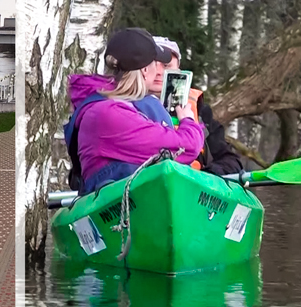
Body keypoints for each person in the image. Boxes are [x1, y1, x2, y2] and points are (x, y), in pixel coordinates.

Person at [65, 28, 205, 195]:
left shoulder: (104, 106)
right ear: (145, 70)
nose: (160, 71)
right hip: (125, 212)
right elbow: (186, 147)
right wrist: (188, 121)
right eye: (156, 63)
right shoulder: (110, 115)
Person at [145, 36, 243, 176]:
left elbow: (231, 160)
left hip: (193, 183)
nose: (159, 72)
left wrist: (205, 176)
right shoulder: (122, 107)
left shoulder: (199, 109)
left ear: (178, 70)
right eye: (152, 64)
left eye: (166, 66)